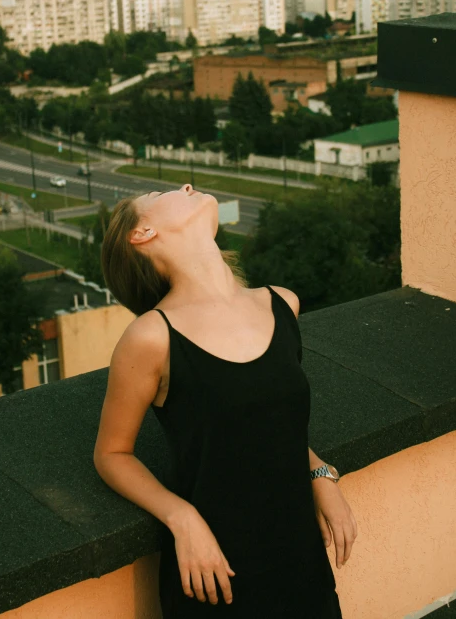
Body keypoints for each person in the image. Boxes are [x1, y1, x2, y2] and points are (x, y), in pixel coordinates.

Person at [94, 183, 357, 617]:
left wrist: (321, 473)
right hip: (216, 577)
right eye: (161, 193)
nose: (186, 185)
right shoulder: (151, 337)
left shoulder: (281, 305)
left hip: (301, 564)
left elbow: (270, 423)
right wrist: (182, 518)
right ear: (141, 233)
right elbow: (111, 454)